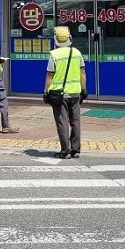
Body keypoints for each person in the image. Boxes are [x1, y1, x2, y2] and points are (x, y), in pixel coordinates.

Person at [44, 26, 87, 159]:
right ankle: (76, 149)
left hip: (59, 94)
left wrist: (46, 92)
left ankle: (65, 150)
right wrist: (84, 89)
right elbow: (82, 73)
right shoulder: (77, 53)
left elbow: (49, 76)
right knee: (75, 121)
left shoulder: (54, 55)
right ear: (69, 38)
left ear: (56, 40)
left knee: (62, 122)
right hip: (75, 93)